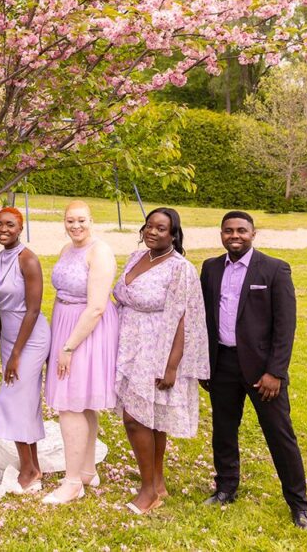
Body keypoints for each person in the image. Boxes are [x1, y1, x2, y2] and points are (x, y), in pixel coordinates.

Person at [200, 211, 307, 531]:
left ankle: (299, 504)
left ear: (253, 233)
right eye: (228, 231)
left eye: (241, 230)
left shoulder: (275, 269)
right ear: (221, 234)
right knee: (223, 430)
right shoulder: (210, 268)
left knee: (280, 435)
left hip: (263, 371)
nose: (234, 236)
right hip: (222, 364)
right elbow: (205, 319)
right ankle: (225, 488)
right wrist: (204, 363)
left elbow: (285, 325)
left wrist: (275, 372)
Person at [114, 208, 209, 515]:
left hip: (157, 348)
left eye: (161, 228)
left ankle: (147, 491)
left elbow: (184, 318)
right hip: (129, 345)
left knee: (135, 418)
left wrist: (171, 366)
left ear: (173, 234)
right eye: (149, 226)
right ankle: (157, 482)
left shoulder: (180, 268)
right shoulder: (135, 256)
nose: (152, 232)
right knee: (149, 417)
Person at [43, 200, 118, 505]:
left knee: (71, 403)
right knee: (82, 401)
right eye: (70, 221)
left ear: (92, 220)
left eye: (81, 221)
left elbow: (98, 306)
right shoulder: (66, 249)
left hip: (86, 329)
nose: (76, 226)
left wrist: (68, 346)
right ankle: (86, 470)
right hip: (65, 320)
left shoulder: (100, 251)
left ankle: (72, 482)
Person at [0, 207, 51, 492]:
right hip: (9, 337)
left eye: (10, 225)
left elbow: (34, 309)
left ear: (20, 228)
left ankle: (29, 469)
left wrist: (15, 355)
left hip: (32, 337)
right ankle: (33, 465)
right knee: (21, 401)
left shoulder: (28, 260)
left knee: (13, 399)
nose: (3, 229)